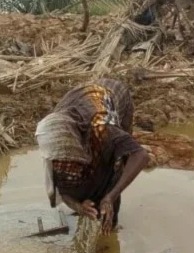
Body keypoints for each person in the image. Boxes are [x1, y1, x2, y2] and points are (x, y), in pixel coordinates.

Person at [35, 79, 149, 235]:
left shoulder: (102, 126)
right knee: (78, 176)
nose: (63, 165)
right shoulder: (53, 135)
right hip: (82, 101)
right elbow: (63, 190)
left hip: (115, 96)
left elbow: (141, 156)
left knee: (115, 163)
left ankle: (110, 218)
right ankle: (96, 204)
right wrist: (79, 207)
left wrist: (110, 197)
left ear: (76, 146)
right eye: (60, 162)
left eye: (68, 160)